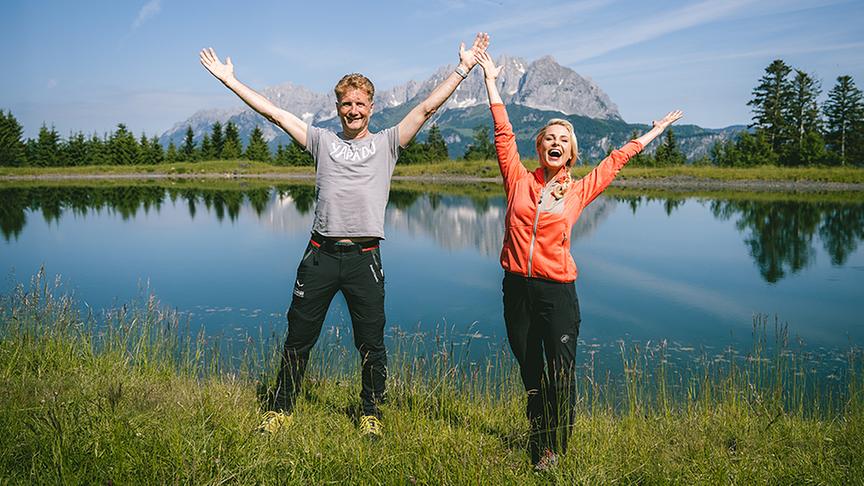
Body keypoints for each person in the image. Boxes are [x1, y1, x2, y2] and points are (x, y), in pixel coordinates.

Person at [199, 33, 490, 437]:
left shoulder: (389, 143)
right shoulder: (321, 141)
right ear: (337, 108)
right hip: (319, 256)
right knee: (298, 338)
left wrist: (463, 67)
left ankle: (371, 412)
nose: (353, 110)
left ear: (371, 107)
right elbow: (276, 115)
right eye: (346, 104)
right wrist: (230, 81)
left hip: (364, 259)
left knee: (371, 343)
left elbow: (425, 107)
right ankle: (281, 408)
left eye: (360, 103)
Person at [475, 50, 682, 469]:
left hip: (557, 292)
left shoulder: (577, 190)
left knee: (561, 374)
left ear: (570, 154)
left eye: (563, 140)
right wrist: (491, 80)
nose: (555, 143)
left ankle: (551, 449)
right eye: (549, 138)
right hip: (516, 287)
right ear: (539, 148)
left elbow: (616, 161)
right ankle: (538, 428)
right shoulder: (517, 178)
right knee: (531, 371)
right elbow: (502, 133)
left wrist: (654, 131)